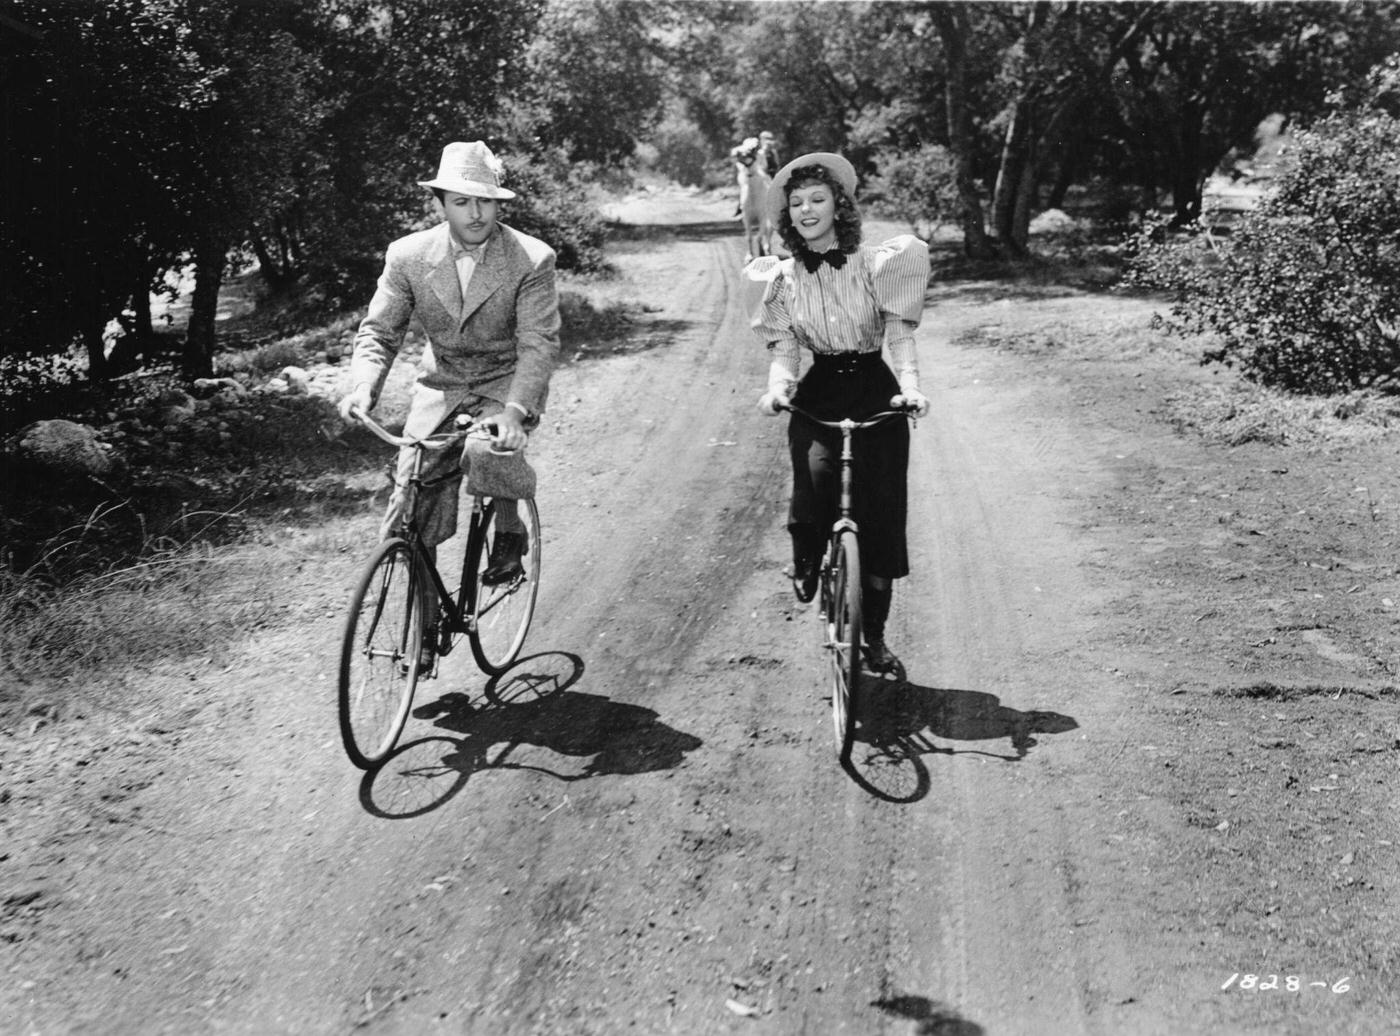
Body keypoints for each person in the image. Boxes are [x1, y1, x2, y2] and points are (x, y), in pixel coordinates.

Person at [338, 140, 561, 671]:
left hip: (504, 379)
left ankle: (509, 532)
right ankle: (427, 617)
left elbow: (538, 344)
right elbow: (379, 332)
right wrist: (363, 386)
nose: (476, 213)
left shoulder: (531, 258)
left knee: (488, 450)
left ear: (499, 204)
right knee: (410, 499)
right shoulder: (408, 255)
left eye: (485, 201)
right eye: (461, 201)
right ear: (440, 202)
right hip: (442, 385)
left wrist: (514, 412)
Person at [744, 152, 930, 673]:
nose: (807, 210)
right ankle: (806, 555)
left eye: (818, 200)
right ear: (788, 215)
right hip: (820, 386)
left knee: (881, 516)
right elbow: (784, 349)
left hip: (875, 387)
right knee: (817, 477)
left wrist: (911, 389)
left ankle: (873, 636)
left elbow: (899, 333)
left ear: (838, 206)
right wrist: (778, 388)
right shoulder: (781, 277)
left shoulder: (877, 262)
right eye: (797, 202)